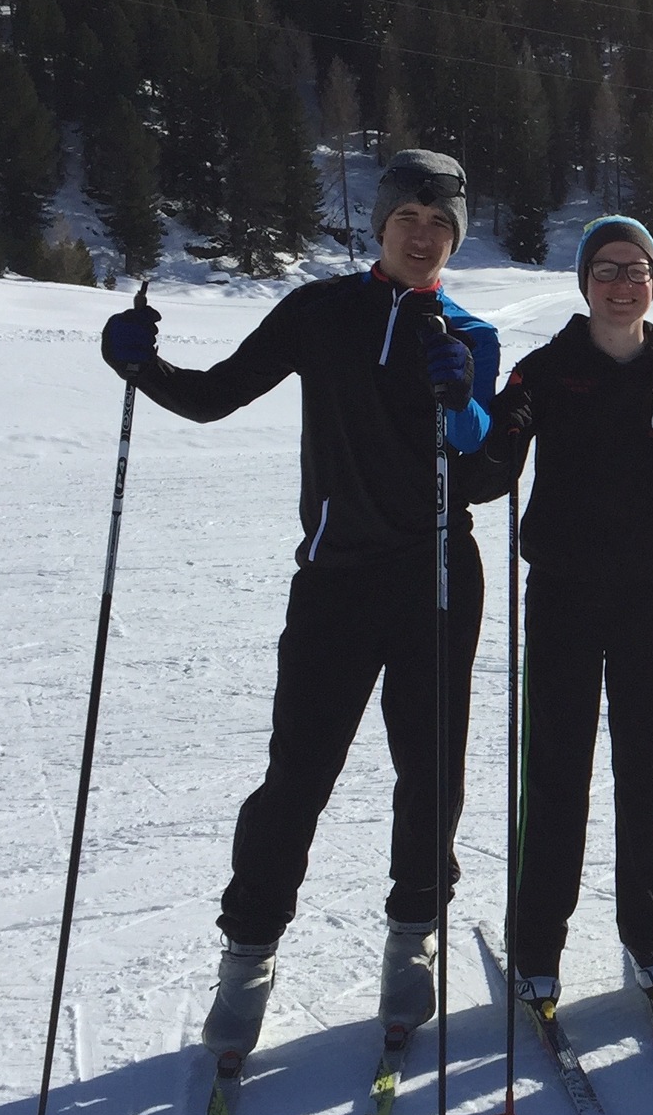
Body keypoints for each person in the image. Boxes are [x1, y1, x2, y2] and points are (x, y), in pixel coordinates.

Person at [96, 149, 500, 1063]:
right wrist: (142, 366)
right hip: (336, 580)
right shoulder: (321, 311)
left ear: (455, 237)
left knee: (430, 771)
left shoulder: (470, 332)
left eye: (441, 222)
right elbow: (213, 397)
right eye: (409, 216)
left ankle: (413, 932)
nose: (424, 233)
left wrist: (458, 398)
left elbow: (482, 469)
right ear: (382, 224)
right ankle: (248, 954)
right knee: (297, 778)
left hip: (438, 577)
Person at [458, 214, 653, 1000]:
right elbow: (491, 472)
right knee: (556, 771)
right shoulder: (547, 369)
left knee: (646, 770)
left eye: (637, 270)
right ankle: (537, 944)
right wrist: (473, 420)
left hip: (645, 598)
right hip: (560, 593)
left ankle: (649, 931)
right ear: (585, 283)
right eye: (607, 270)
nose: (623, 284)